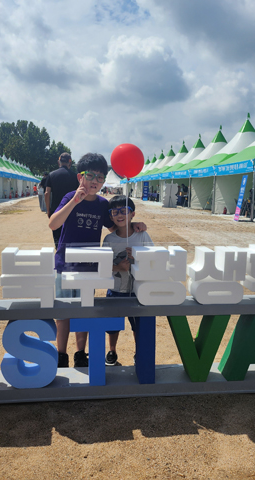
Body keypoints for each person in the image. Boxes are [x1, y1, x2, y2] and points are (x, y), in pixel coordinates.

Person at [48, 153, 147, 368]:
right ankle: (61, 354)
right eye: (90, 175)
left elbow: (115, 227)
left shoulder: (103, 204)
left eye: (100, 177)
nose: (95, 181)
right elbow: (53, 224)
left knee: (84, 310)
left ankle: (80, 353)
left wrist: (134, 224)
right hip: (65, 265)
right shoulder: (69, 197)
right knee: (63, 312)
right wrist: (74, 201)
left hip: (90, 267)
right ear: (79, 177)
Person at [102, 195, 153, 366]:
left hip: (138, 291)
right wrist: (119, 268)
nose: (119, 215)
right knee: (112, 324)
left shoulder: (142, 235)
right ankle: (112, 350)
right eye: (114, 212)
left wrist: (138, 259)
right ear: (110, 216)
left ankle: (139, 352)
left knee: (138, 325)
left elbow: (154, 259)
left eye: (124, 211)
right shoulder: (109, 240)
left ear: (133, 214)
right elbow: (103, 265)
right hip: (115, 289)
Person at [45, 153, 79, 247]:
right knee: (70, 237)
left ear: (58, 162)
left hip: (56, 210)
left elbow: (47, 193)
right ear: (70, 162)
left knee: (58, 239)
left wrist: (48, 210)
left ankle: (59, 256)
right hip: (71, 210)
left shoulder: (51, 175)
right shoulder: (75, 176)